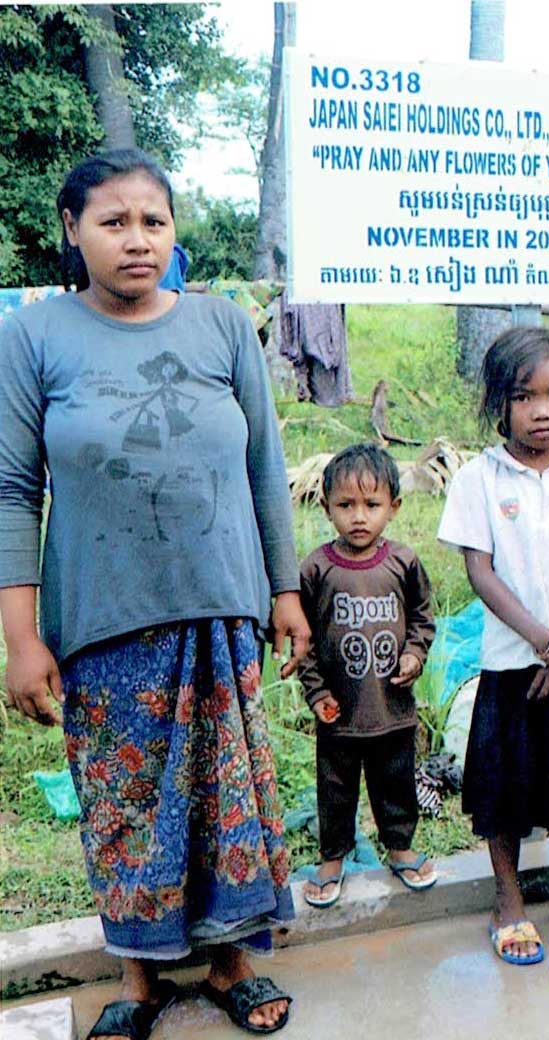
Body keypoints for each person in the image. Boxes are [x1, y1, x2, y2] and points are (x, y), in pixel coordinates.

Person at [0, 149, 308, 1038]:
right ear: (72, 229)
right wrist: (21, 638)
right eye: (114, 222)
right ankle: (137, 979)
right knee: (126, 810)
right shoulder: (34, 337)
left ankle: (232, 964)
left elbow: (264, 468)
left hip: (219, 610)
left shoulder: (221, 327)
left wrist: (284, 593)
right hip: (104, 623)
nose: (137, 240)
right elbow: (13, 490)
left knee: (227, 800)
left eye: (154, 221)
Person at [436, 327, 549, 966]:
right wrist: (545, 643)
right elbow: (481, 572)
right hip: (514, 664)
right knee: (505, 792)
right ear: (499, 403)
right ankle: (507, 901)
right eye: (524, 397)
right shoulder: (479, 480)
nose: (542, 411)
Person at [298, 443, 438, 909]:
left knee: (395, 783)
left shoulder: (403, 562)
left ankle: (400, 848)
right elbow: (304, 639)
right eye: (346, 505)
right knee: (335, 790)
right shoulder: (316, 568)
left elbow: (423, 617)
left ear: (393, 507)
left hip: (392, 708)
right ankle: (332, 858)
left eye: (371, 505)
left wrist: (414, 654)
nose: (359, 517)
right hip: (339, 712)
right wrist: (316, 692)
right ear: (326, 507)